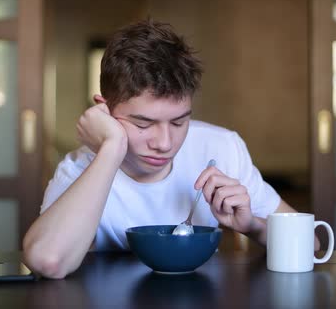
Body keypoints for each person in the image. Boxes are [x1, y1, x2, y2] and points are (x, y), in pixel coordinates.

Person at [23, 19, 306, 279]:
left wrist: (251, 226)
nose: (165, 143)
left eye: (179, 121)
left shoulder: (220, 147)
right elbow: (48, 260)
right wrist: (111, 148)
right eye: (143, 124)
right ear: (104, 109)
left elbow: (310, 243)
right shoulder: (79, 169)